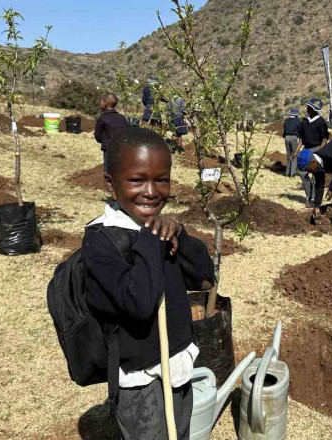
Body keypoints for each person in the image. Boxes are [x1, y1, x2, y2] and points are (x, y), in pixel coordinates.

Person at [83, 126, 215, 439]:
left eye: (162, 179)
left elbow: (205, 280)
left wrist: (179, 235)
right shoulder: (102, 241)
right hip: (141, 382)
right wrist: (149, 240)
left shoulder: (164, 230)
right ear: (110, 184)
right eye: (137, 180)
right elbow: (140, 303)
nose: (152, 191)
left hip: (179, 369)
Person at [291, 98, 330, 206]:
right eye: (308, 106)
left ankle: (314, 199)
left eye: (310, 108)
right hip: (306, 150)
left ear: (315, 110)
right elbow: (301, 138)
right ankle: (309, 195)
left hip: (317, 149)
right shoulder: (304, 121)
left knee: (315, 175)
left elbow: (325, 138)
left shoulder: (321, 122)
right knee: (303, 173)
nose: (308, 109)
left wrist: (320, 152)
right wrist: (296, 152)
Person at [95, 93, 130, 162]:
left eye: (101, 101)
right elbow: (126, 133)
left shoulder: (102, 118)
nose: (100, 103)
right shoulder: (122, 118)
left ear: (105, 103)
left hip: (108, 149)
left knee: (108, 170)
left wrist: (104, 140)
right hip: (121, 149)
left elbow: (97, 136)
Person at [283, 107, 303, 177]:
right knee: (294, 155)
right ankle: (292, 173)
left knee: (288, 155)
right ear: (296, 114)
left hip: (286, 137)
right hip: (294, 138)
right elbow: (301, 131)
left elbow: (284, 131)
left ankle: (287, 172)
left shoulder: (286, 121)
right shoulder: (298, 121)